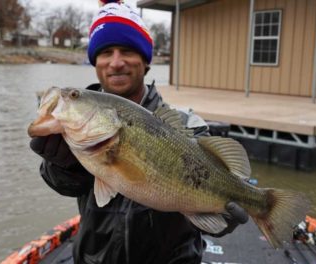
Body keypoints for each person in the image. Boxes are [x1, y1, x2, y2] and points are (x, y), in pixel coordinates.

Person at [30, 1, 248, 263]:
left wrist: (220, 219)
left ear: (146, 61)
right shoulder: (77, 127)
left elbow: (208, 201)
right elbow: (63, 185)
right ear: (95, 62)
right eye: (106, 52)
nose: (116, 62)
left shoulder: (188, 125)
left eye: (127, 51)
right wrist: (63, 166)